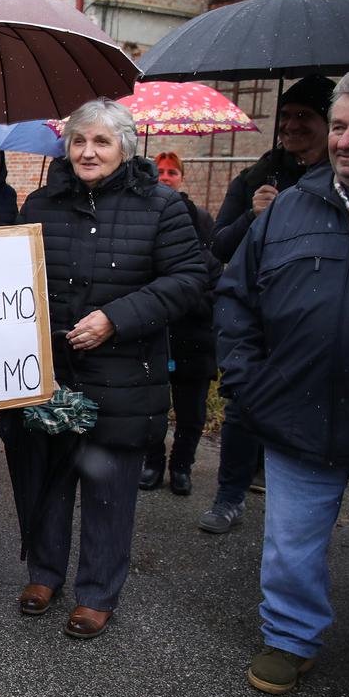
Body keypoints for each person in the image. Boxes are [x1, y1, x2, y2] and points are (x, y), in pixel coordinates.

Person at [12, 98, 205, 640]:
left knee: (109, 490)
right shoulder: (40, 203)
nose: (88, 151)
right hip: (56, 370)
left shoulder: (162, 206)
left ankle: (97, 593)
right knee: (49, 479)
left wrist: (116, 320)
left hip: (125, 374)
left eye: (101, 141)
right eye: (79, 141)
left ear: (126, 146)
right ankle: (44, 574)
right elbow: (13, 277)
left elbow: (189, 279)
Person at [217, 67, 349, 695]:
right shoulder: (287, 208)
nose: (347, 140)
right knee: (290, 546)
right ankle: (289, 637)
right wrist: (249, 381)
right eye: (341, 126)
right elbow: (236, 297)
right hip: (297, 412)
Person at [201, 76, 333, 533]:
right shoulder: (258, 177)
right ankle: (229, 496)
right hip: (262, 319)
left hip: (318, 322)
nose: (291, 125)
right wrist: (252, 216)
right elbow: (218, 245)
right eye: (286, 116)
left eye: (305, 116)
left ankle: (299, 506)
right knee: (244, 408)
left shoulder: (348, 184)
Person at [139, 152, 221, 496]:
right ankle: (153, 461)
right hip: (158, 340)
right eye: (160, 171)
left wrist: (178, 298)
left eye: (172, 171)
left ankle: (182, 465)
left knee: (191, 413)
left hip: (194, 343)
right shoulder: (146, 240)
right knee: (151, 409)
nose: (165, 176)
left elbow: (212, 293)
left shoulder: (202, 235)